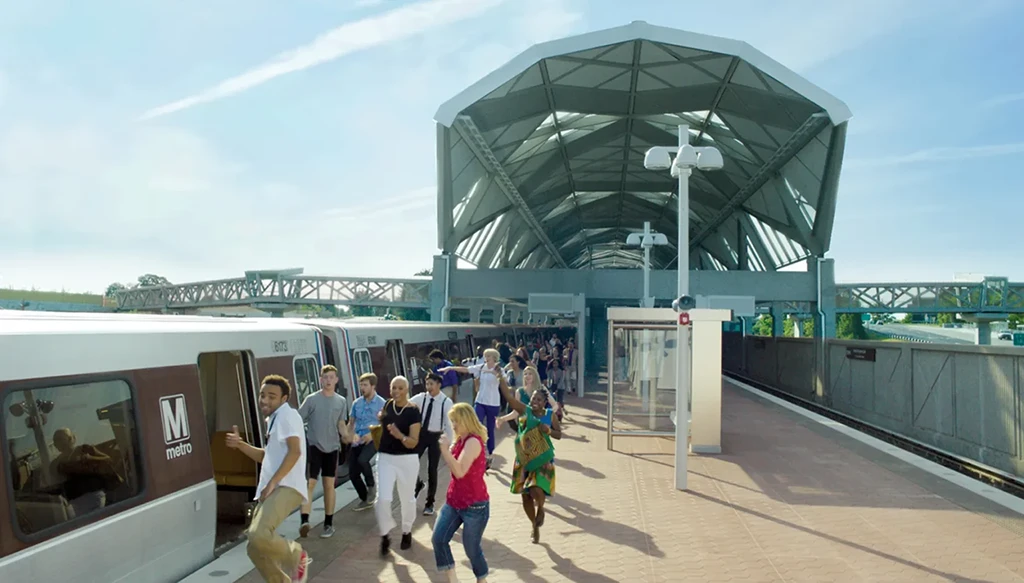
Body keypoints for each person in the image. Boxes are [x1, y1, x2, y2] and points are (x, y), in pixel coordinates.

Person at [226, 375, 310, 583]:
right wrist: (240, 445)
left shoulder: (286, 417)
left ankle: (295, 555)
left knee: (259, 535)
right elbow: (267, 456)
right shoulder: (275, 418)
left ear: (284, 398)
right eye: (262, 395)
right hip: (275, 486)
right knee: (254, 548)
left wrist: (272, 483)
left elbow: (295, 452)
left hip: (286, 486)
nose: (265, 400)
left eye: (272, 396)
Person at [492, 368, 561, 544]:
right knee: (525, 496)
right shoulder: (525, 410)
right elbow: (509, 398)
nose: (534, 401)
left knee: (537, 488)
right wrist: (500, 378)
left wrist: (549, 430)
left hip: (543, 459)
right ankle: (534, 526)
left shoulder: (550, 415)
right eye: (533, 399)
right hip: (524, 459)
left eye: (538, 399)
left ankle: (542, 508)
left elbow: (559, 435)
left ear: (545, 402)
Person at [431, 403, 490, 583]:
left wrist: (444, 450)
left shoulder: (473, 441)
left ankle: (482, 578)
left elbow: (460, 471)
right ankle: (452, 579)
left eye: (456, 421)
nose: (453, 425)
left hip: (475, 505)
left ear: (466, 420)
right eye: (452, 422)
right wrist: (448, 449)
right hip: (454, 500)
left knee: (471, 549)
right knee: (438, 539)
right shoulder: (461, 439)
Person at [298, 365, 352, 538]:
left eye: (331, 377)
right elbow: (299, 419)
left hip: (332, 449)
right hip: (314, 447)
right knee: (310, 483)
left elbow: (341, 424)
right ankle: (304, 520)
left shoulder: (341, 401)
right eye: (325, 377)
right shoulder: (311, 400)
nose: (328, 380)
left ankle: (328, 523)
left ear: (336, 380)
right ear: (321, 379)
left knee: (329, 485)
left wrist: (346, 436)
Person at [374, 375, 422, 556]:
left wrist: (399, 435)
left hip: (407, 459)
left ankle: (406, 531)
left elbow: (413, 442)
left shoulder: (413, 411)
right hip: (385, 457)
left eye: (400, 388)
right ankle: (385, 534)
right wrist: (381, 419)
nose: (396, 391)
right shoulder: (387, 405)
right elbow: (383, 420)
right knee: (383, 499)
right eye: (394, 387)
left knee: (407, 499)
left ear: (407, 390)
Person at [439, 348, 502, 469]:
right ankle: (477, 450)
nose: (485, 358)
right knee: (475, 423)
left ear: (494, 357)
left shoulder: (499, 369)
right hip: (480, 401)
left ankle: (490, 453)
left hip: (493, 403)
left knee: (490, 428)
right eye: (485, 356)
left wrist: (497, 375)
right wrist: (450, 368)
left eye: (488, 356)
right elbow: (466, 369)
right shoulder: (481, 367)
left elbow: (505, 381)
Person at [411, 372, 453, 516]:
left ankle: (430, 503)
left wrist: (449, 444)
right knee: (410, 461)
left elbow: (449, 425)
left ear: (438, 385)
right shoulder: (421, 398)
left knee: (432, 469)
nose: (429, 387)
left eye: (431, 384)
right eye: (427, 384)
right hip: (422, 435)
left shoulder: (446, 402)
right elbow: (407, 403)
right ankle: (417, 485)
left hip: (436, 436)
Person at [347, 373, 385, 512]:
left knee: (363, 460)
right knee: (353, 473)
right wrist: (351, 434)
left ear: (373, 386)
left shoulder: (381, 403)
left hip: (373, 439)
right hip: (357, 441)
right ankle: (364, 498)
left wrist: (372, 433)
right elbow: (351, 424)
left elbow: (387, 424)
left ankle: (371, 486)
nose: (362, 388)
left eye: (365, 385)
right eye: (361, 385)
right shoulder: (356, 403)